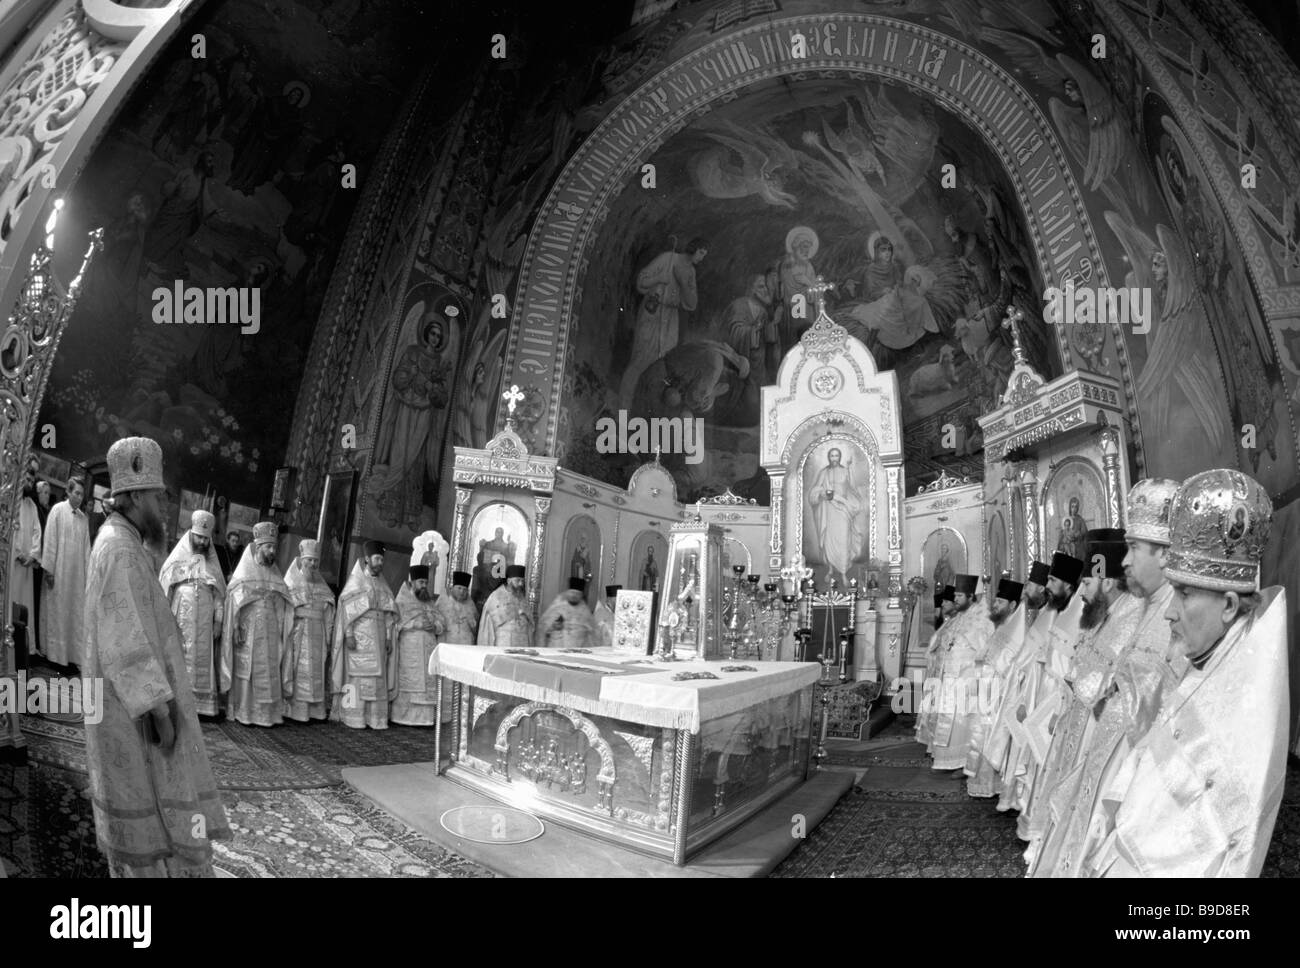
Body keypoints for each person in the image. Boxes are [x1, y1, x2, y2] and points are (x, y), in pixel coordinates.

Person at [1085, 470, 1288, 877]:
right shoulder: (1209, 661)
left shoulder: (1246, 708)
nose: (1171, 611)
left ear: (1229, 606)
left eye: (1186, 593)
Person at [82, 437, 230, 877]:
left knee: (148, 804)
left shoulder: (122, 542)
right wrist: (157, 708)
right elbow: (123, 637)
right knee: (148, 803)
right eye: (157, 495)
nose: (163, 504)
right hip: (133, 712)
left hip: (126, 704)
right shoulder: (120, 549)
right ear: (134, 497)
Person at [1032, 479, 1183, 877]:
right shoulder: (1146, 607)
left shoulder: (1160, 610)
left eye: (1135, 548)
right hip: (1102, 739)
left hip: (1129, 757)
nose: (1127, 561)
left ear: (1165, 555)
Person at [1024, 529, 1139, 869]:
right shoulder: (1103, 616)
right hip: (1077, 727)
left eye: (1087, 584)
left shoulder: (1131, 618)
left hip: (1097, 736)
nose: (1081, 593)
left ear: (1105, 581)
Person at [995, 552, 1084, 821]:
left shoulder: (1076, 614)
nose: (1047, 586)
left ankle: (1039, 820)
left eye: (1053, 580)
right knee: (1033, 755)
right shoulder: (1050, 611)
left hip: (1056, 698)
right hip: (1036, 692)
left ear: (1069, 586)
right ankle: (1029, 813)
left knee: (1049, 758)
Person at [221, 522, 293, 727]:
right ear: (258, 547)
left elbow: (283, 601)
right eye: (268, 547)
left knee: (269, 667)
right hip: (249, 629)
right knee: (248, 670)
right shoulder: (245, 572)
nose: (272, 552)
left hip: (270, 630)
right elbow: (234, 600)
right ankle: (245, 712)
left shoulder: (275, 574)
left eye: (274, 548)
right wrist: (234, 626)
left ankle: (267, 714)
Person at [619, 237, 708, 403]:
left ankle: (647, 409)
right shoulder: (668, 258)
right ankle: (623, 409)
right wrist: (659, 279)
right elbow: (641, 281)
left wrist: (682, 282)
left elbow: (692, 303)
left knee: (663, 364)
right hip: (652, 313)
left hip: (670, 319)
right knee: (639, 361)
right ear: (694, 248)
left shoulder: (690, 272)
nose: (702, 257)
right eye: (701, 252)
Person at [159, 509, 226, 717]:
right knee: (181, 653)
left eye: (206, 539)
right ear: (191, 535)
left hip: (205, 619)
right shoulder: (177, 558)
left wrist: (218, 621)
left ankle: (202, 707)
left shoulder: (213, 565)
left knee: (203, 656)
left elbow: (219, 595)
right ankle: (178, 701)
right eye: (199, 537)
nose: (203, 542)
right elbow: (166, 587)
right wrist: (164, 618)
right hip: (181, 615)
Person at [964, 578, 1025, 797]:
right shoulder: (1000, 627)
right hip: (985, 694)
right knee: (980, 736)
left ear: (1013, 606)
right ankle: (981, 782)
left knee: (993, 739)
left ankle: (996, 786)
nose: (995, 605)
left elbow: (1012, 666)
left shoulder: (1018, 631)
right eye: (995, 600)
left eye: (1000, 601)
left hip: (999, 697)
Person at [330, 540, 399, 729]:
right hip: (359, 636)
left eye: (381, 559)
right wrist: (349, 634)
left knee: (377, 678)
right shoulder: (356, 582)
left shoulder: (383, 585)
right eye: (377, 558)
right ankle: (352, 715)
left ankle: (374, 718)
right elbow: (346, 611)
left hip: (378, 638)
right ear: (367, 559)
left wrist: (387, 637)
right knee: (356, 676)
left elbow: (388, 615)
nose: (380, 563)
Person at [929, 574, 993, 773]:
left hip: (966, 680)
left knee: (963, 725)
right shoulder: (958, 617)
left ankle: (962, 763)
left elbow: (984, 650)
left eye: (959, 595)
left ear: (971, 597)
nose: (955, 599)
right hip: (950, 676)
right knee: (950, 721)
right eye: (954, 595)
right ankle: (948, 760)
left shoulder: (981, 619)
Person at [40, 475, 91, 669]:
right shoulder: (57, 511)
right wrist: (49, 570)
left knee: (73, 615)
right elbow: (50, 540)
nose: (79, 498)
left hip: (76, 577)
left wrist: (88, 577)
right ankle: (53, 655)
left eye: (81, 495)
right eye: (76, 493)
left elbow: (87, 550)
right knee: (57, 612)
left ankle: (69, 657)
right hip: (59, 572)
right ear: (68, 492)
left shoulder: (83, 519)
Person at [283, 538, 336, 723]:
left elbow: (329, 610)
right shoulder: (290, 582)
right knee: (298, 670)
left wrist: (329, 636)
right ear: (301, 559)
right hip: (299, 631)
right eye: (309, 560)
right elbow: (285, 609)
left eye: (316, 561)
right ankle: (295, 712)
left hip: (318, 633)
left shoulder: (322, 586)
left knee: (316, 670)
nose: (313, 564)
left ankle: (315, 711)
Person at [390, 565, 444, 726]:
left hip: (428, 647)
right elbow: (396, 624)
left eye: (426, 582)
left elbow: (441, 622)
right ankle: (403, 717)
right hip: (410, 647)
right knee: (410, 679)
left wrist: (434, 626)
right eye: (421, 582)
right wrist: (417, 623)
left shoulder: (429, 602)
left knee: (427, 679)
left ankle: (425, 719)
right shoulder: (402, 601)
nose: (424, 586)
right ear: (412, 582)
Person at [810, 447, 866, 585]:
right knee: (830, 539)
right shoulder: (824, 472)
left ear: (839, 457)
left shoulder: (846, 471)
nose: (834, 458)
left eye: (836, 456)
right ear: (829, 457)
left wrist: (850, 470)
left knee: (843, 540)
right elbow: (815, 490)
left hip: (843, 509)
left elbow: (853, 490)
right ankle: (830, 569)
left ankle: (843, 572)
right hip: (829, 509)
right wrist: (822, 494)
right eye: (832, 456)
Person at [9, 457, 42, 654]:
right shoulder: (10, 499)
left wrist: (32, 554)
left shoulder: (32, 506)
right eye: (27, 479)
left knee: (22, 606)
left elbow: (37, 532)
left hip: (26, 566)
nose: (29, 483)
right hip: (12, 564)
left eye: (32, 480)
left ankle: (21, 649)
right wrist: (18, 552)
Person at [478, 564, 534, 648]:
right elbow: (489, 623)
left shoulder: (522, 598)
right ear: (508, 581)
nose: (521, 584)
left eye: (522, 581)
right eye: (518, 580)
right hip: (504, 642)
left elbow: (530, 622)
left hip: (523, 643)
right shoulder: (496, 596)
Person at [538, 578, 599, 649]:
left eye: (577, 594)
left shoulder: (585, 612)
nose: (574, 596)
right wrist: (553, 626)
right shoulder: (557, 606)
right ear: (568, 592)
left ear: (581, 595)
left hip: (577, 650)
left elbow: (593, 635)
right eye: (572, 592)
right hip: (557, 648)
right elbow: (543, 627)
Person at [433, 570, 479, 645]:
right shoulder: (443, 600)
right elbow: (435, 622)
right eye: (459, 588)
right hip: (447, 642)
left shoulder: (470, 604)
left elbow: (475, 627)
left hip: (465, 644)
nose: (462, 592)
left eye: (465, 589)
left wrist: (470, 619)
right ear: (453, 588)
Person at [594, 584, 620, 649]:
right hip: (602, 649)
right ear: (608, 600)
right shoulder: (600, 613)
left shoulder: (620, 613)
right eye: (616, 600)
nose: (618, 603)